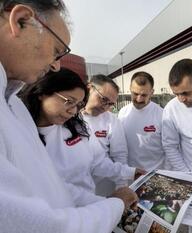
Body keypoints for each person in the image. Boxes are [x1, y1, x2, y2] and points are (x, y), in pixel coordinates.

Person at [0, 1, 136, 231]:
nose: (56, 65)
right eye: (56, 50)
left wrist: (105, 203)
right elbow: (34, 224)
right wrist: (112, 207)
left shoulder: (14, 106)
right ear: (20, 20)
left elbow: (52, 184)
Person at [20, 68, 141, 207]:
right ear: (43, 92)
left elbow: (95, 161)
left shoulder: (76, 127)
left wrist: (130, 172)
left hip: (90, 205)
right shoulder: (24, 135)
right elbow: (56, 187)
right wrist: (106, 203)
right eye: (68, 101)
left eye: (78, 105)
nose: (73, 111)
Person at [82, 74, 137, 195]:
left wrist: (121, 186)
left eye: (110, 104)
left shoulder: (111, 120)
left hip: (102, 186)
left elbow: (119, 155)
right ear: (89, 88)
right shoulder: (69, 117)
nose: (105, 107)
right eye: (103, 99)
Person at [119, 71, 166, 171]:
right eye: (135, 94)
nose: (139, 99)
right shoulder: (123, 113)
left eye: (144, 95)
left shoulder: (162, 115)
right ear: (130, 89)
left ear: (152, 92)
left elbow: (170, 148)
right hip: (130, 175)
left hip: (154, 175)